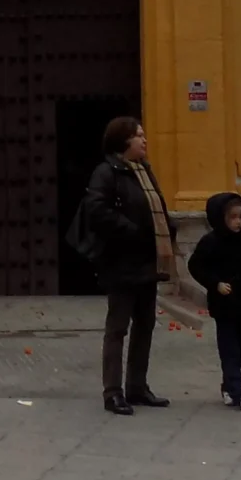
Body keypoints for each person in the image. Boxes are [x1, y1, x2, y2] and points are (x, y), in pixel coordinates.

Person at [77, 116, 174, 415]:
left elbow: (156, 205)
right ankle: (112, 391)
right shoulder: (107, 173)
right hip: (120, 261)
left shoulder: (144, 171)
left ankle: (137, 387)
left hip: (146, 259)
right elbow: (96, 211)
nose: (144, 140)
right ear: (123, 141)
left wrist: (167, 229)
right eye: (139, 136)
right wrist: (131, 230)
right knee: (118, 327)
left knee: (145, 324)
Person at [187, 191, 241, 411]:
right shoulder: (211, 242)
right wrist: (215, 283)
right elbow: (195, 266)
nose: (238, 222)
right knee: (229, 350)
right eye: (232, 217)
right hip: (224, 306)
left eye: (240, 216)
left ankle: (227, 386)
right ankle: (240, 394)